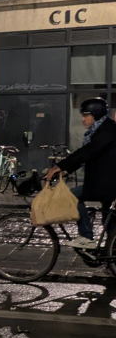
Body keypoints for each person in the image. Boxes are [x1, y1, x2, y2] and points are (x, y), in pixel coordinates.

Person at [47, 97, 116, 249]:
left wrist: (60, 167)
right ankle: (110, 258)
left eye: (86, 115)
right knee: (109, 223)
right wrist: (65, 170)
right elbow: (87, 155)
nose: (83, 119)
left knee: (71, 196)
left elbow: (88, 152)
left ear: (96, 115)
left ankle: (86, 237)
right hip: (107, 182)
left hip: (108, 184)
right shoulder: (101, 129)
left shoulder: (107, 131)